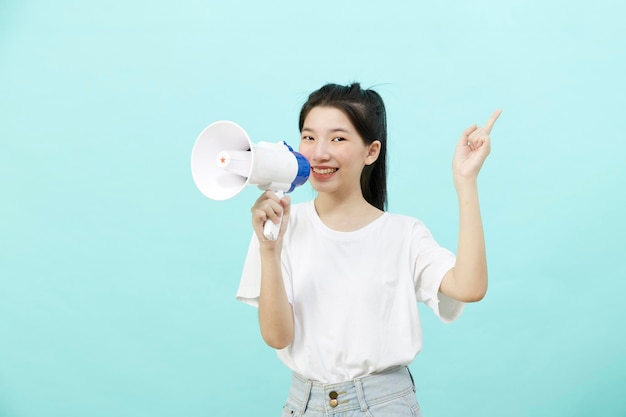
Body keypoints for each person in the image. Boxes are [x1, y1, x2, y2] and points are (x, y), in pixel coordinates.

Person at [236, 83, 502, 416]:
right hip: (302, 405)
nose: (319, 152)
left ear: (371, 151)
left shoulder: (404, 235)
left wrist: (466, 180)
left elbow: (470, 287)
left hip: (383, 406)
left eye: (338, 138)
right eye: (308, 136)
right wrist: (268, 251)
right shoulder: (279, 227)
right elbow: (277, 337)